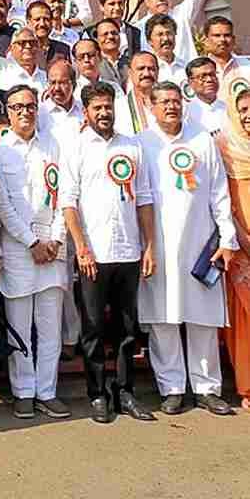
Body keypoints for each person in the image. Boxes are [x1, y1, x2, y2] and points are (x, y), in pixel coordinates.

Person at [137, 81, 237, 416]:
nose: (170, 107)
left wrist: (226, 239)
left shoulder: (202, 140)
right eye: (163, 101)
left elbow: (219, 193)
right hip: (159, 245)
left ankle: (208, 388)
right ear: (151, 106)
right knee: (163, 317)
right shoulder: (142, 144)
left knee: (202, 318)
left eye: (176, 101)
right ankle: (172, 388)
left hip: (200, 242)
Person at [60, 81, 157, 423]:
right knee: (93, 328)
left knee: (128, 328)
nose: (104, 113)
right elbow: (68, 203)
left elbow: (144, 199)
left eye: (108, 106)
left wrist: (149, 246)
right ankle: (97, 393)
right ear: (85, 112)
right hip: (94, 254)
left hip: (129, 251)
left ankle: (125, 391)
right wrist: (81, 247)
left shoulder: (132, 146)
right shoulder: (75, 147)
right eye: (97, 108)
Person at [0, 85, 72, 421]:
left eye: (30, 105)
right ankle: (23, 391)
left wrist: (54, 238)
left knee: (50, 325)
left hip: (53, 248)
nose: (25, 112)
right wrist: (30, 243)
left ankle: (47, 391)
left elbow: (65, 194)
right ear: (7, 111)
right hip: (19, 249)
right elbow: (3, 206)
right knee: (20, 326)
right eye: (17, 106)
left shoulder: (53, 145)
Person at [217, 88, 250, 410]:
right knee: (244, 319)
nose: (248, 114)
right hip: (242, 243)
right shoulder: (225, 147)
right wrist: (240, 233)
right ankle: (247, 387)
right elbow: (222, 197)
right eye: (243, 109)